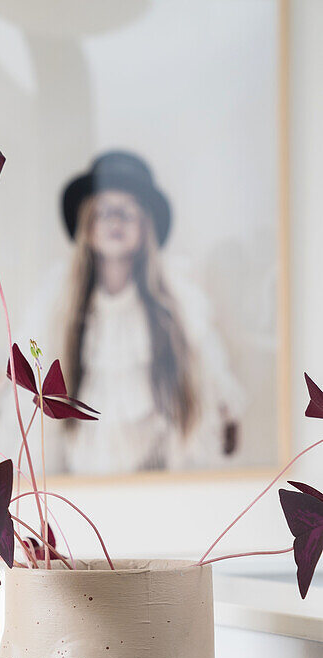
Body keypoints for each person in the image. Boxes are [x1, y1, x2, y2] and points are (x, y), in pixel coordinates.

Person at [56, 151, 243, 474]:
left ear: (145, 228)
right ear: (86, 225)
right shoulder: (63, 307)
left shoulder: (176, 305)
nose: (115, 222)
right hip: (82, 480)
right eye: (104, 212)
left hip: (156, 481)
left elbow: (211, 379)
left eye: (127, 213)